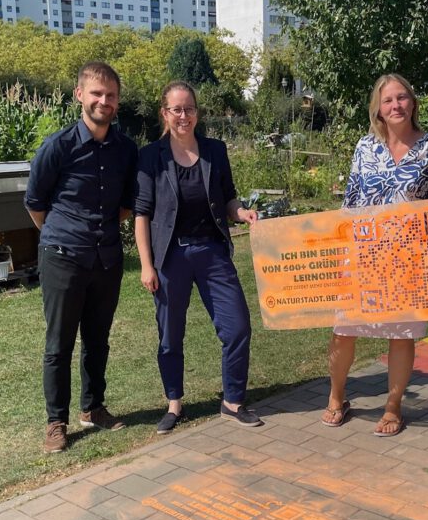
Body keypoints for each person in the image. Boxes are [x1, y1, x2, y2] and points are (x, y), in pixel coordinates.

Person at [322, 73, 428, 437]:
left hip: (408, 258)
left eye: (402, 98)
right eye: (388, 101)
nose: (396, 105)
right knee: (343, 329)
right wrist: (340, 248)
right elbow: (350, 200)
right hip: (361, 253)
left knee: (401, 334)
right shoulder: (366, 147)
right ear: (378, 110)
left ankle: (393, 406)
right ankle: (337, 397)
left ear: (412, 102)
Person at [134, 81, 262, 435]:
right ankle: (174, 403)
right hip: (170, 255)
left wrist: (243, 212)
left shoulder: (214, 151)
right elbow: (141, 214)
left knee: (237, 326)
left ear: (197, 112)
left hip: (211, 251)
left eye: (189, 108)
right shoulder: (150, 156)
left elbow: (229, 198)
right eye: (176, 109)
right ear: (165, 114)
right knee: (170, 336)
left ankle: (233, 401)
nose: (183, 116)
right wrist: (146, 265)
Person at [25, 61, 137, 453]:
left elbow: (127, 204)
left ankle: (93, 407)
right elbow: (35, 203)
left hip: (106, 259)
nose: (103, 101)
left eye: (110, 95)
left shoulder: (126, 149)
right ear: (79, 95)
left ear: (117, 101)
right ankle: (56, 421)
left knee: (98, 340)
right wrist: (61, 236)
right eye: (96, 94)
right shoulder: (58, 147)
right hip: (63, 257)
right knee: (59, 344)